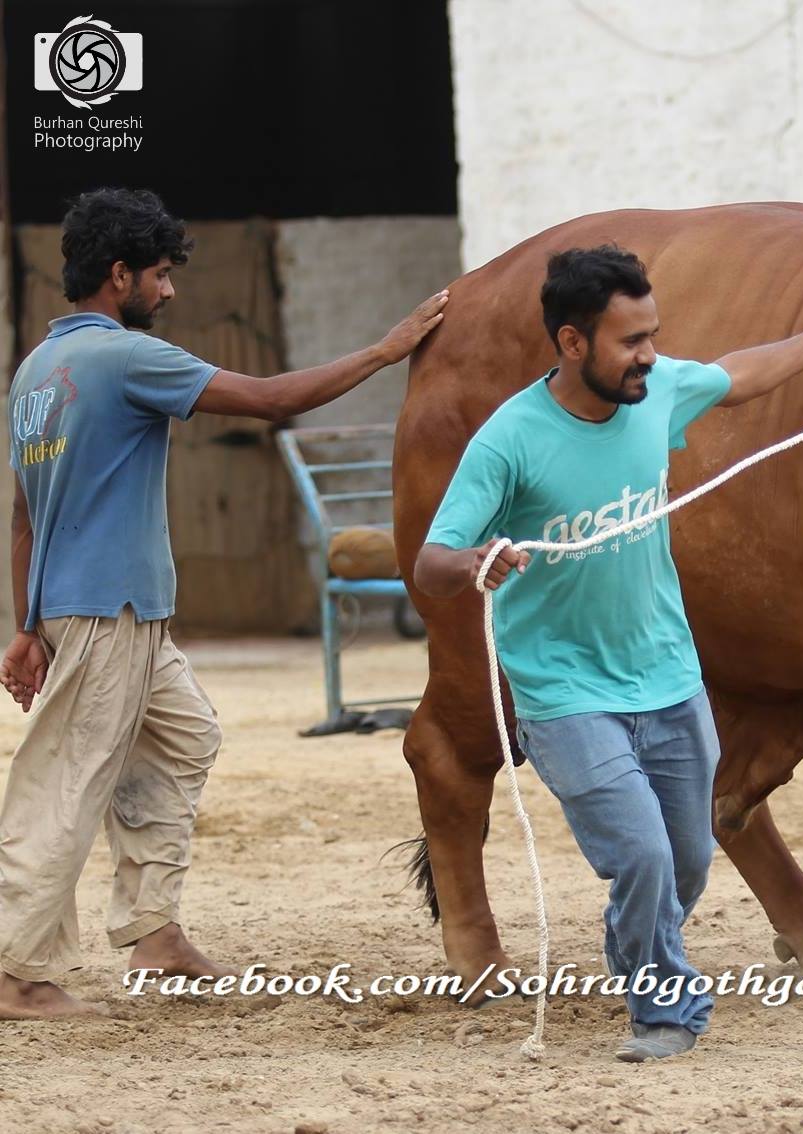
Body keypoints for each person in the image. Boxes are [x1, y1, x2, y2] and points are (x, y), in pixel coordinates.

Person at [413, 245, 803, 1061]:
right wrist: (475, 562)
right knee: (643, 854)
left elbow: (739, 374)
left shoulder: (657, 391)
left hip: (667, 676)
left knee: (686, 862)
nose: (650, 357)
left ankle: (633, 950)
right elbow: (432, 559)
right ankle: (664, 1012)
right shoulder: (510, 440)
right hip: (563, 692)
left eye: (653, 336)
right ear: (570, 343)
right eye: (630, 341)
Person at [0, 187, 448, 1019]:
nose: (168, 293)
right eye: (161, 275)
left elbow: (26, 514)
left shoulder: (36, 371)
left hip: (94, 610)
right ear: (119, 273)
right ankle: (16, 975)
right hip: (109, 611)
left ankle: (154, 933)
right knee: (65, 781)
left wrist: (28, 628)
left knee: (183, 737)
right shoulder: (125, 358)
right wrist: (387, 350)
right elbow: (275, 400)